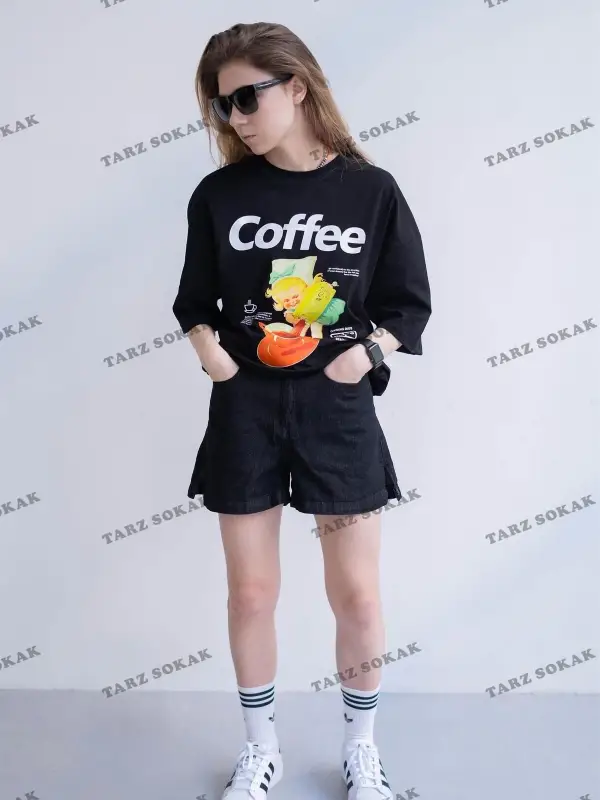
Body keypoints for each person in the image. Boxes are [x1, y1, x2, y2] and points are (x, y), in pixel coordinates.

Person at [172, 21, 432, 800]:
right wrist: (211, 353)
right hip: (245, 409)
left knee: (357, 594)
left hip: (337, 408)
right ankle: (261, 750)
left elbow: (409, 302)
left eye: (246, 98)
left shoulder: (370, 191)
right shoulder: (220, 196)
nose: (236, 117)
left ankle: (361, 748)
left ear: (297, 86)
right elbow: (194, 301)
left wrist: (367, 353)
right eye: (222, 106)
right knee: (251, 593)